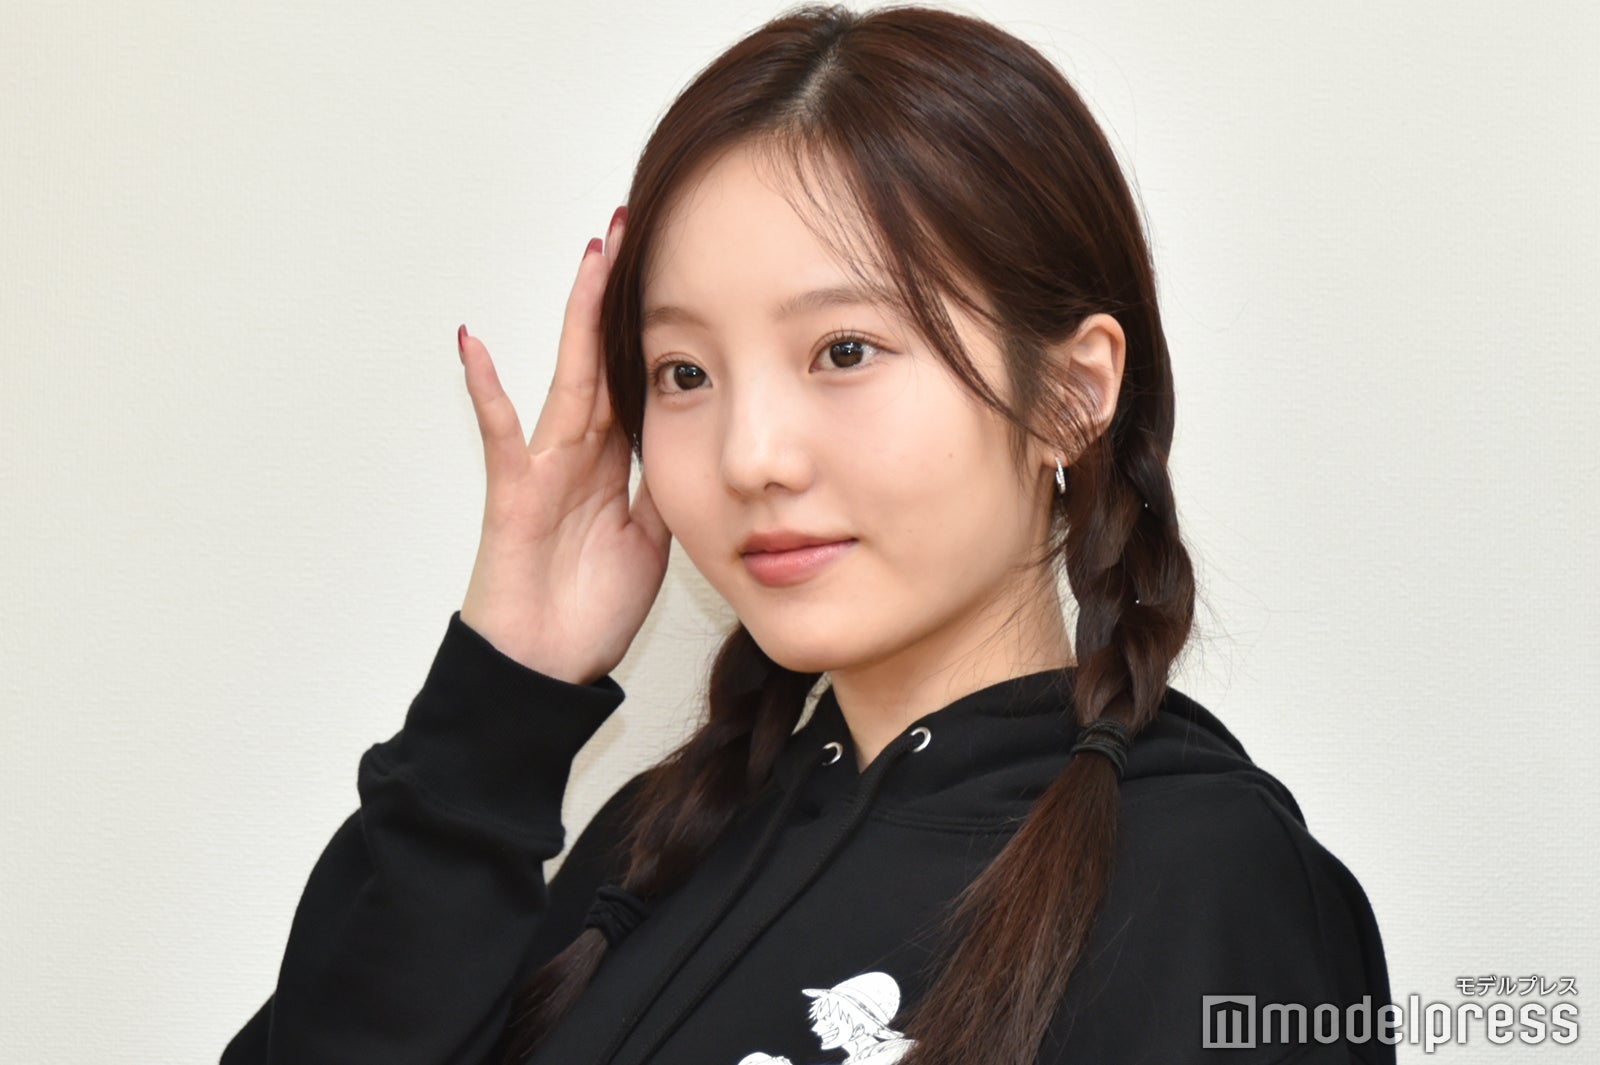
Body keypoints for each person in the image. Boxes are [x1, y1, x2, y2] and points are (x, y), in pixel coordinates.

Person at [221, 4, 1394, 1064]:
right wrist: (502, 697)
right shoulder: (651, 850)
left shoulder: (1212, 883)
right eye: (684, 372)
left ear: (1069, 393)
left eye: (843, 351)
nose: (750, 457)